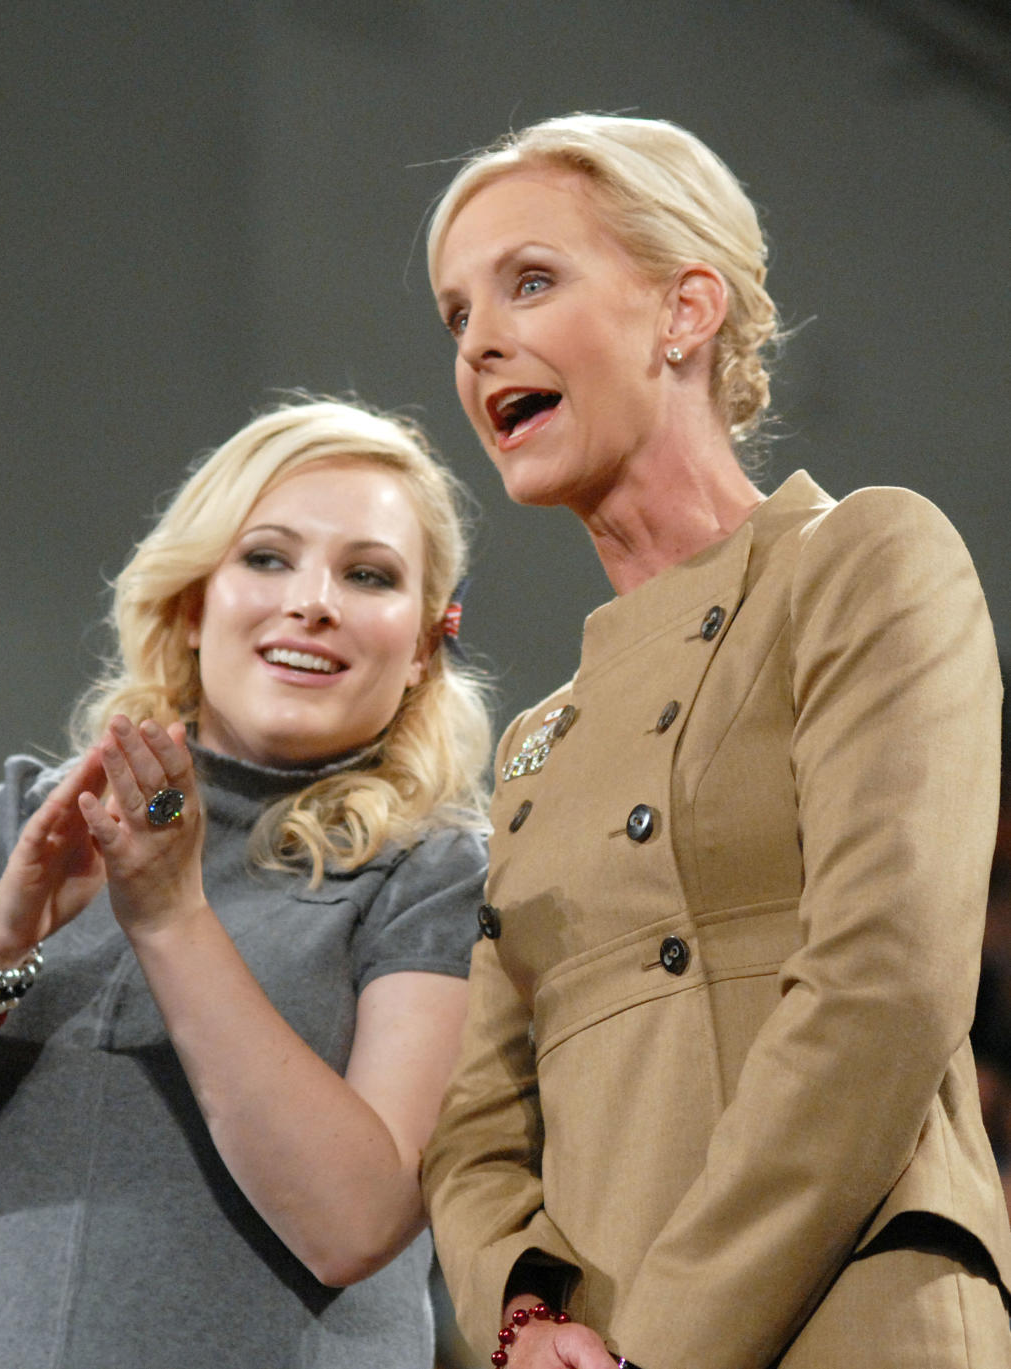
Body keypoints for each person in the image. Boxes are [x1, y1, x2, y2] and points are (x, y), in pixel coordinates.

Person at [421, 114, 1011, 1368]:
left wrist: (668, 1341)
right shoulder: (536, 739)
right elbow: (474, 1121)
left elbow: (885, 980)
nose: (479, 343)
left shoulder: (863, 561)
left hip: (846, 1313)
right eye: (455, 314)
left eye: (530, 281)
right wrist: (524, 1323)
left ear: (685, 310)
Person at [0, 398, 491, 1369]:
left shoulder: (434, 872)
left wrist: (169, 917)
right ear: (196, 597)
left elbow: (355, 1220)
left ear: (423, 641)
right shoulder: (13, 824)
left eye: (368, 575)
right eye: (268, 557)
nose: (313, 600)